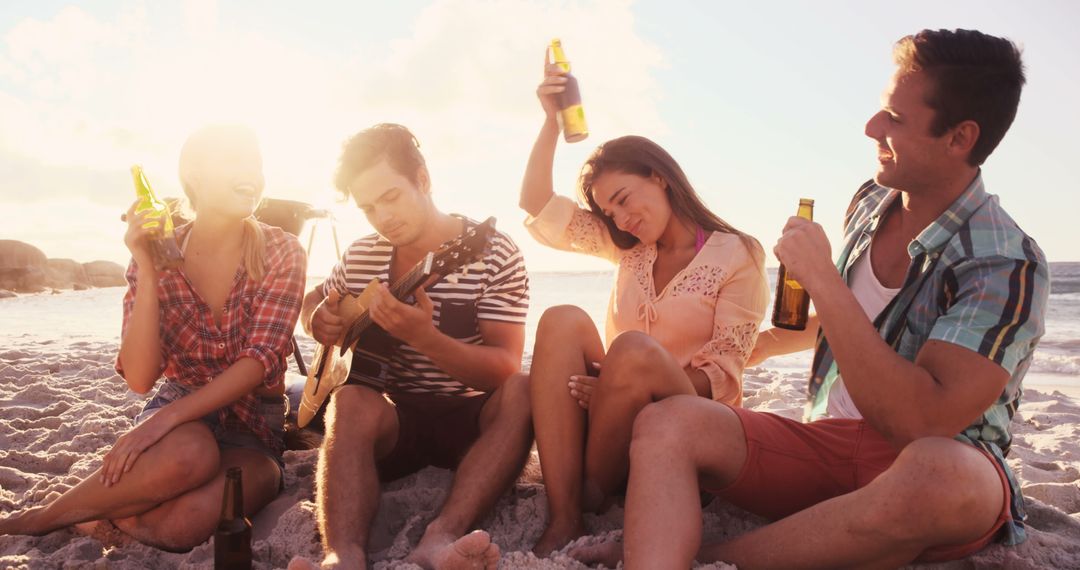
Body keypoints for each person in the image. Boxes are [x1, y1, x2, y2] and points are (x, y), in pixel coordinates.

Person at [575, 28, 1049, 569]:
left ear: (960, 137)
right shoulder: (871, 202)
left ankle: (712, 558)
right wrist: (741, 349)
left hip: (929, 466)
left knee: (939, 476)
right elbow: (839, 326)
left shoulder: (1005, 263)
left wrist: (820, 276)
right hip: (823, 443)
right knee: (669, 421)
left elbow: (922, 420)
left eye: (894, 118)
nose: (872, 127)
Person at [0, 125, 307, 550]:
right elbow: (142, 379)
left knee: (183, 528)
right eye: (235, 161)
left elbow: (260, 361)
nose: (251, 173)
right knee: (191, 455)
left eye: (256, 163)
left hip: (253, 427)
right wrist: (145, 266)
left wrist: (163, 420)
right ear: (193, 175)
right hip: (181, 414)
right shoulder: (160, 254)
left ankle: (102, 515)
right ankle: (42, 518)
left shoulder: (282, 250)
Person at [522, 56, 769, 556]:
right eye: (609, 212)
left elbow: (723, 375)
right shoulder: (627, 248)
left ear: (658, 177)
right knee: (561, 319)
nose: (621, 217)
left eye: (623, 198)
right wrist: (551, 123)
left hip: (689, 423)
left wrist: (631, 385)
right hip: (612, 420)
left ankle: (591, 492)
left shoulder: (737, 253)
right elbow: (536, 203)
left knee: (632, 351)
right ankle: (566, 513)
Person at [291, 124, 532, 569]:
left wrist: (426, 338)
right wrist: (318, 320)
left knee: (524, 391)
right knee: (348, 399)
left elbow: (502, 370)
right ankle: (342, 556)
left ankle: (441, 539)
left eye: (391, 197)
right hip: (394, 421)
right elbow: (314, 301)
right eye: (368, 208)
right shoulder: (362, 255)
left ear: (421, 179)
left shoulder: (492, 252)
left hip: (471, 422)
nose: (383, 217)